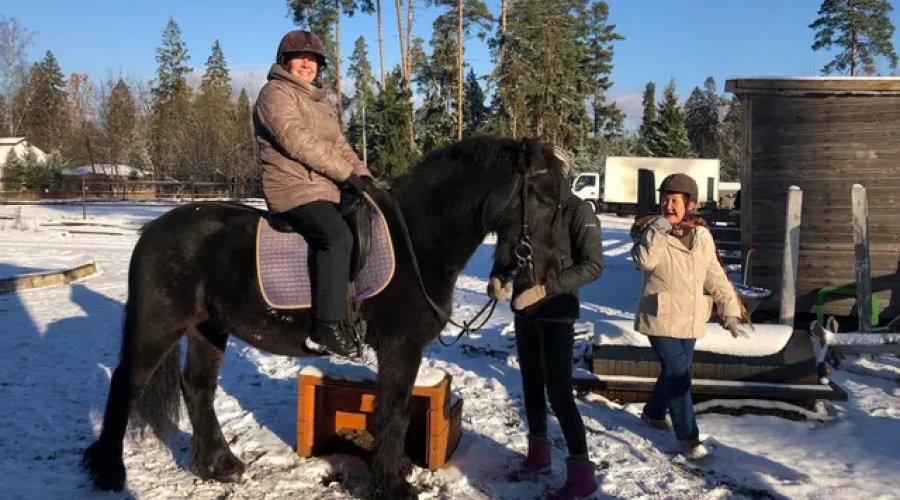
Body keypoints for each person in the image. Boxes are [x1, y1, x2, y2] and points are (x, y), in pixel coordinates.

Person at [488, 148, 604, 500]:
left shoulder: (578, 211)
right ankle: (538, 457)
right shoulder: (525, 212)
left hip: (556, 311)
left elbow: (592, 265)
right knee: (530, 384)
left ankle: (581, 474)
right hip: (524, 310)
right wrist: (499, 275)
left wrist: (544, 289)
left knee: (559, 392)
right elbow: (512, 254)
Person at [253, 29, 374, 358]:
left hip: (325, 188)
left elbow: (339, 146)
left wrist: (364, 177)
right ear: (285, 62)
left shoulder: (321, 103)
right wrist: (346, 174)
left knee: (368, 225)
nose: (307, 64)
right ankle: (325, 328)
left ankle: (355, 311)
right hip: (292, 189)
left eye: (313, 59)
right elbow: (297, 141)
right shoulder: (275, 94)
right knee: (336, 239)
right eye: (300, 58)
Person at [629, 173, 749, 459]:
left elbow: (713, 274)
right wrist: (658, 229)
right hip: (659, 315)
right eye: (664, 200)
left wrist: (729, 308)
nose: (668, 206)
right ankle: (688, 438)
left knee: (674, 372)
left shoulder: (701, 234)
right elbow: (643, 261)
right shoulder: (649, 230)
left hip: (691, 316)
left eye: (674, 200)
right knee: (679, 373)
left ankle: (653, 412)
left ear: (690, 203)